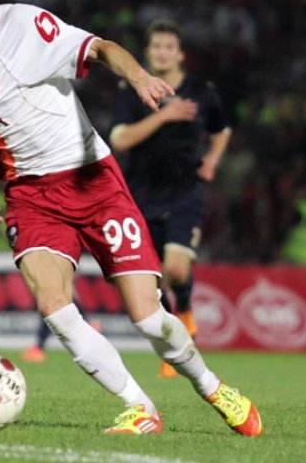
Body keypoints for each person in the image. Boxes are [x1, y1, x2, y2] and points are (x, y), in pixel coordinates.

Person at [0, 0, 262, 436]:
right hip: (30, 196)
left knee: (147, 317)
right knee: (54, 307)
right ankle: (139, 406)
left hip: (92, 181)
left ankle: (211, 385)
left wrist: (138, 76)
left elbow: (98, 47)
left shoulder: (24, 26)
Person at [109, 19, 232, 378]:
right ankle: (173, 347)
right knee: (153, 279)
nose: (162, 52)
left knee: (176, 271)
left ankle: (187, 309)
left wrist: (212, 160)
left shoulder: (201, 92)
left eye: (169, 47)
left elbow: (222, 129)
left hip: (185, 192)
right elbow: (119, 139)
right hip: (142, 194)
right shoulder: (132, 90)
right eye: (156, 46)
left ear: (180, 55)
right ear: (147, 52)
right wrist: (164, 115)